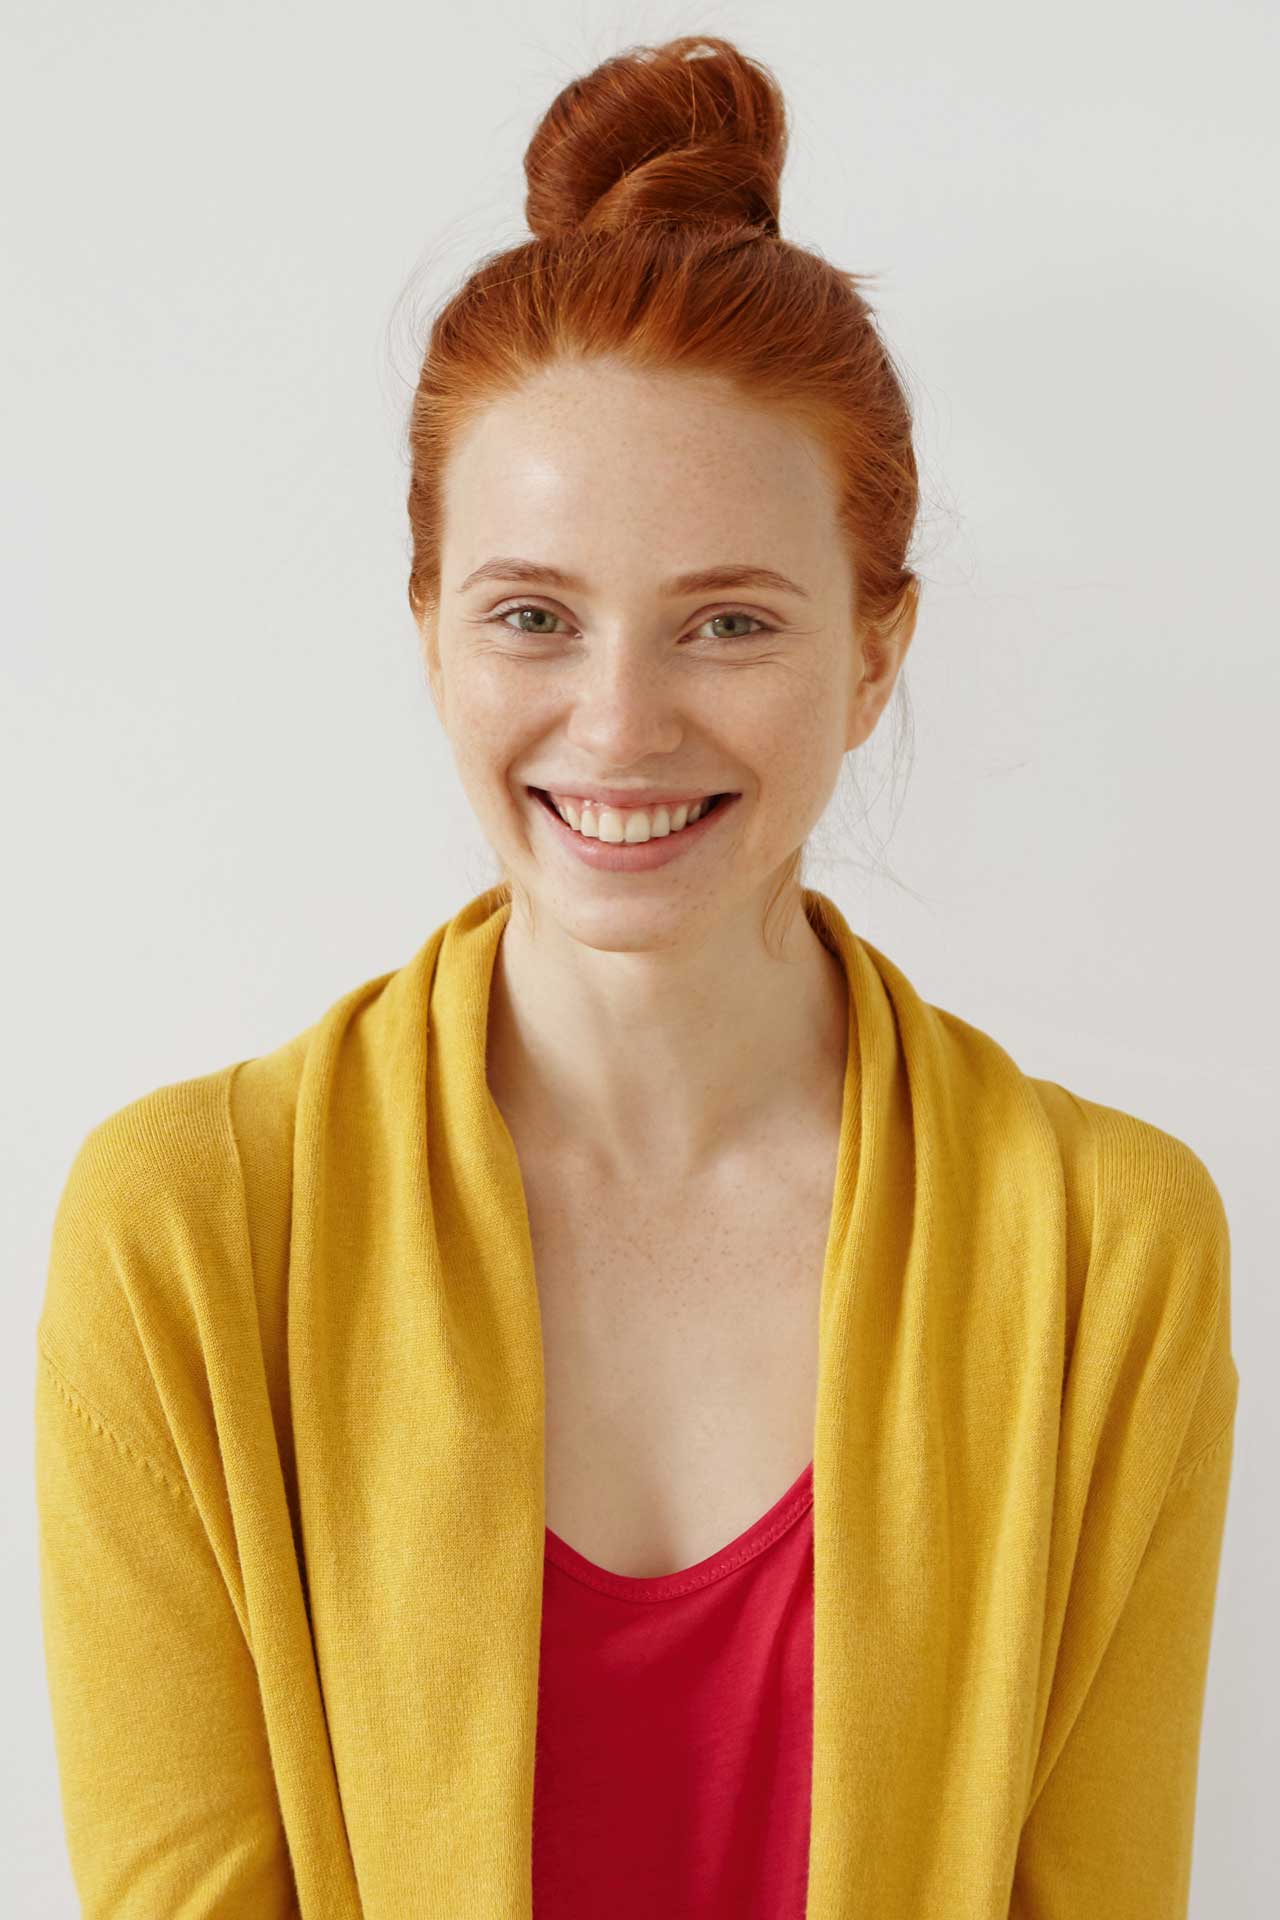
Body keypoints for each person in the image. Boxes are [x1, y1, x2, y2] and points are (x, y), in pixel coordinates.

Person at [35, 33, 1237, 1920]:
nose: (618, 722)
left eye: (730, 622)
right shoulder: (192, 1232)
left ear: (875, 648)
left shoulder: (1106, 1248)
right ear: (427, 627)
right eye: (532, 613)